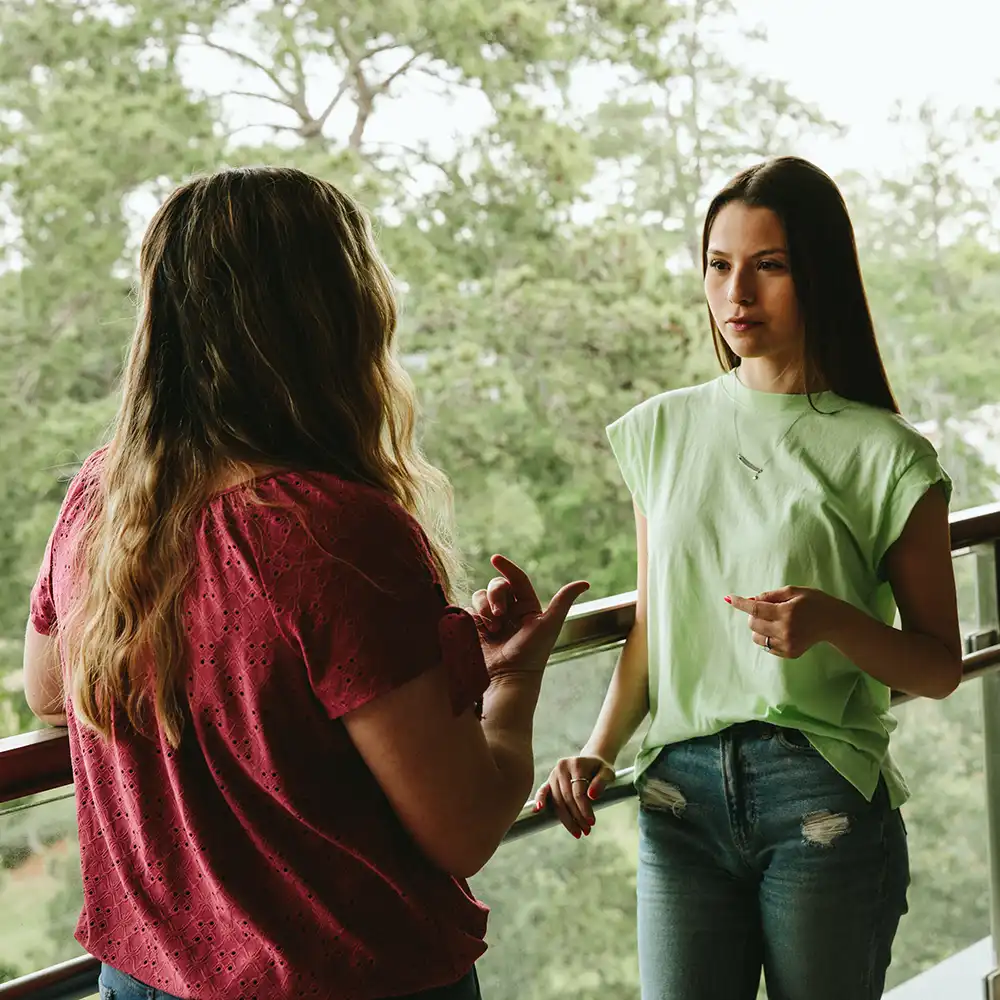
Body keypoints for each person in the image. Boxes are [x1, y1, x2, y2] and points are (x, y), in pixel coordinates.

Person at [22, 166, 589, 1000]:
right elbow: (465, 830)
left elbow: (46, 689)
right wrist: (511, 682)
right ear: (334, 316)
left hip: (145, 977)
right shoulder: (331, 530)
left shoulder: (104, 498)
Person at [474, 156, 962, 1000]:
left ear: (819, 276)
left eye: (768, 266)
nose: (737, 293)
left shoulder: (889, 455)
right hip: (677, 797)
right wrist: (596, 751)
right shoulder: (663, 430)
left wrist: (836, 624)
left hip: (823, 794)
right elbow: (657, 624)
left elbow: (940, 666)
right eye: (719, 264)